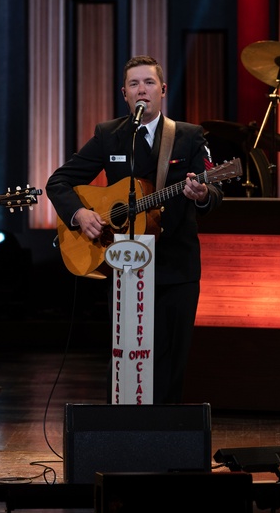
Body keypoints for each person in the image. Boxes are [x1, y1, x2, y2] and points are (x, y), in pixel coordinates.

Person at [46, 55, 222, 404]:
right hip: (125, 266)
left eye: (149, 83)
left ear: (163, 90)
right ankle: (126, 431)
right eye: (134, 84)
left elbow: (215, 192)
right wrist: (80, 214)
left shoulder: (188, 136)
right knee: (127, 353)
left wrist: (202, 193)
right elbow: (59, 182)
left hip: (176, 265)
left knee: (171, 357)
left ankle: (167, 436)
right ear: (124, 93)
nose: (142, 90)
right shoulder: (110, 135)